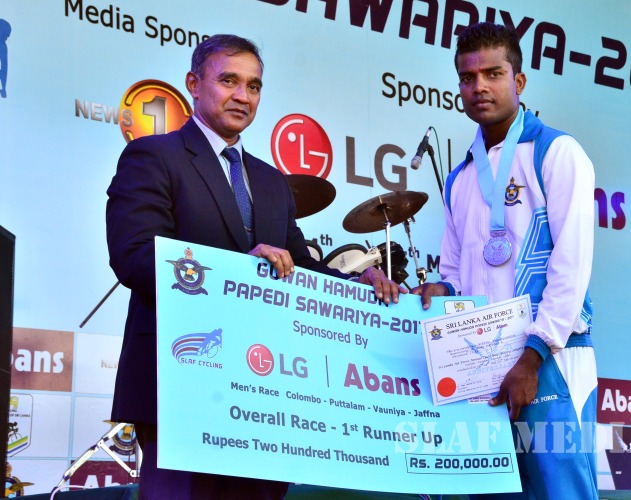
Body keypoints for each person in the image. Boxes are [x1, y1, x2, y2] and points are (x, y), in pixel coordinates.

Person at [106, 34, 403, 500]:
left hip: (264, 395)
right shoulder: (153, 156)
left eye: (254, 86)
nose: (243, 96)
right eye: (229, 81)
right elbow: (135, 256)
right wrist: (235, 274)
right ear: (193, 84)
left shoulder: (270, 181)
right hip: (181, 383)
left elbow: (301, 267)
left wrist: (358, 284)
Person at [412, 23, 597, 498]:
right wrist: (442, 290)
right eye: (467, 77)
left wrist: (533, 357)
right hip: (481, 368)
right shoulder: (460, 178)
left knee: (563, 492)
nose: (479, 87)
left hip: (550, 360)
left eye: (493, 74)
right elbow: (456, 274)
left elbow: (571, 267)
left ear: (519, 81)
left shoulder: (557, 152)